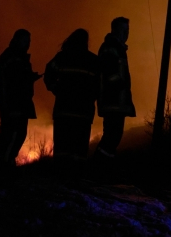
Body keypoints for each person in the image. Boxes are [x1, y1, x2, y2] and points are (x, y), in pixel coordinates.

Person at [44, 29, 99, 168]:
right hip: (83, 114)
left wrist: (56, 89)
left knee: (63, 149)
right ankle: (76, 177)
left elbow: (48, 73)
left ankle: (60, 179)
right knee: (79, 150)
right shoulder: (93, 60)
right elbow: (99, 85)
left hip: (63, 111)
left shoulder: (62, 57)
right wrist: (92, 97)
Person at [0, 29, 42, 166]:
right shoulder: (11, 56)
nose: (28, 44)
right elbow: (14, 79)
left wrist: (30, 77)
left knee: (19, 133)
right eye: (25, 40)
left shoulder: (19, 57)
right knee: (11, 132)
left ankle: (7, 160)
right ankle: (3, 162)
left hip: (21, 102)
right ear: (17, 40)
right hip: (13, 101)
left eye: (29, 41)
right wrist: (29, 78)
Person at [93, 17, 136, 163]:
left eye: (127, 30)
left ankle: (103, 170)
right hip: (112, 101)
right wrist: (120, 85)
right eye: (123, 30)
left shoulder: (117, 48)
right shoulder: (110, 47)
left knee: (114, 137)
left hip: (118, 102)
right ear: (115, 30)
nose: (126, 33)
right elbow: (109, 73)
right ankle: (97, 168)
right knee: (111, 137)